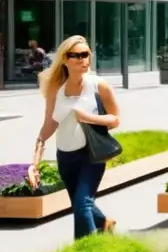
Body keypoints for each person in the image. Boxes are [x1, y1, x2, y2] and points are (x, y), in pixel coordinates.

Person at [28, 35, 120, 239]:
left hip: (91, 155)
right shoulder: (56, 89)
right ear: (64, 59)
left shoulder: (99, 86)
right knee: (81, 203)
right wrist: (34, 163)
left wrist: (87, 117)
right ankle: (104, 223)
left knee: (82, 204)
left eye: (86, 54)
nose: (83, 60)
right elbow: (50, 123)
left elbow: (115, 119)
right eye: (76, 55)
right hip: (66, 157)